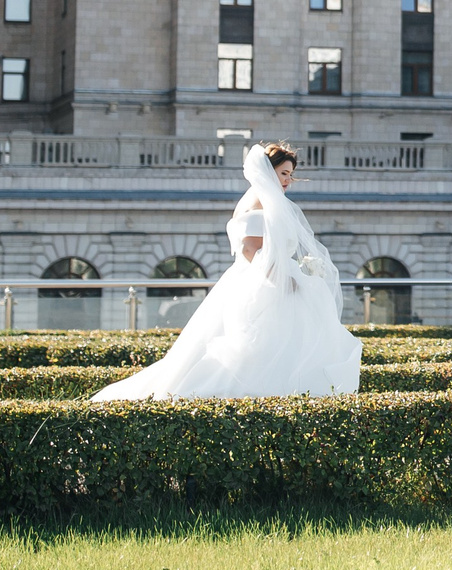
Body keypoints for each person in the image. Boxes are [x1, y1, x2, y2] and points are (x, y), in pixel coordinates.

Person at [92, 141, 361, 399]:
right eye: (284, 173)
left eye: (290, 174)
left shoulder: (268, 201)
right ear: (269, 171)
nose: (288, 180)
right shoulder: (259, 202)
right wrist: (279, 279)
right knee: (259, 347)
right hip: (264, 284)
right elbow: (250, 248)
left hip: (271, 278)